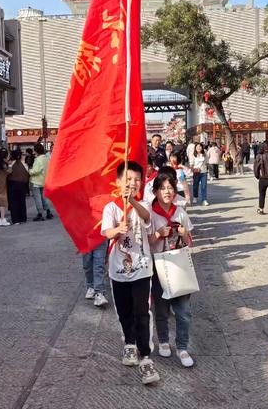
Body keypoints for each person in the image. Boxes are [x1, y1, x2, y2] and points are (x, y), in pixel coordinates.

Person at [100, 161, 160, 385]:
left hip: (142, 268)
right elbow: (106, 232)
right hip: (118, 269)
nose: (133, 183)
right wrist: (116, 230)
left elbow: (146, 218)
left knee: (142, 312)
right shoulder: (111, 207)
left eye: (137, 180)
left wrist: (132, 200)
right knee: (124, 311)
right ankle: (129, 345)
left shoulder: (143, 203)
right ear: (118, 182)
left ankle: (146, 356)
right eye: (128, 179)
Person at [148, 172, 195, 368]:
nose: (167, 192)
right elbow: (147, 243)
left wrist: (184, 234)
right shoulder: (150, 214)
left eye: (170, 188)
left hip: (179, 266)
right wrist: (158, 234)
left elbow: (190, 243)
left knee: (183, 311)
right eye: (163, 188)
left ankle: (183, 347)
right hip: (158, 267)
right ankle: (164, 340)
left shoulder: (180, 213)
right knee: (161, 308)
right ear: (156, 192)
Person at [29, 143, 54, 221]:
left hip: (36, 181)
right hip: (43, 180)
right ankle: (48, 211)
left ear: (36, 151)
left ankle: (40, 213)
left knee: (38, 198)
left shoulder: (39, 159)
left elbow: (35, 171)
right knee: (43, 198)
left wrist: (29, 170)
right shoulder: (46, 158)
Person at [83, 239, 109, 307]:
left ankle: (99, 292)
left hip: (100, 236)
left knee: (99, 265)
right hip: (85, 238)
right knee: (87, 265)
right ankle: (90, 286)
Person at [7, 149, 29, 224]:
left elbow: (8, 172)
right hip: (22, 184)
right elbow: (27, 173)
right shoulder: (24, 164)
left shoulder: (11, 163)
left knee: (14, 202)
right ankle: (23, 218)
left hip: (12, 184)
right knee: (22, 201)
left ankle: (15, 219)